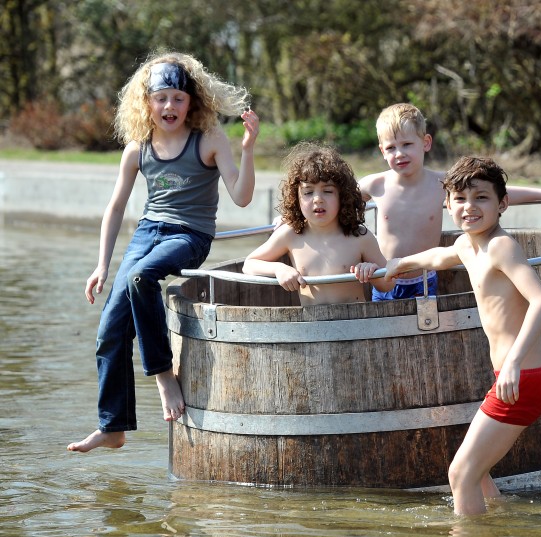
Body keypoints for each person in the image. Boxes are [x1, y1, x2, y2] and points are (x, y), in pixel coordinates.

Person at [68, 52, 260, 452]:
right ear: (147, 102)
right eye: (161, 98)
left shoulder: (208, 139)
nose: (169, 106)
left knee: (142, 278)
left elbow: (241, 198)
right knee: (108, 333)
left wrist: (248, 148)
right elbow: (116, 207)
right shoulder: (138, 148)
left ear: (192, 101)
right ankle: (113, 427)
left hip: (189, 236)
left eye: (177, 98)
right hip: (146, 234)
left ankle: (163, 375)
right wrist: (102, 264)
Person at [384, 156, 541, 516]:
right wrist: (397, 265)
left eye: (481, 198)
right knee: (476, 474)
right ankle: (497, 525)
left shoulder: (500, 246)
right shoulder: (468, 245)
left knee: (460, 474)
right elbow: (439, 256)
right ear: (447, 204)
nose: (469, 207)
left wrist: (512, 363)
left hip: (524, 375)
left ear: (502, 204)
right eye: (460, 199)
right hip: (514, 376)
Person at [361, 102, 541, 302]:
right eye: (391, 148)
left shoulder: (441, 183)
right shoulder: (375, 184)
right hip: (385, 279)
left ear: (425, 143)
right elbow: (340, 204)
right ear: (382, 150)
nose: (399, 154)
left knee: (424, 330)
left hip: (423, 280)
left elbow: (495, 193)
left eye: (407, 144)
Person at [242, 142, 393, 305]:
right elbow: (249, 264)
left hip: (355, 323)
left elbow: (388, 284)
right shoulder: (290, 234)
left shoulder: (359, 236)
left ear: (343, 196)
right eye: (308, 192)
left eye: (327, 191)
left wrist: (372, 271)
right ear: (296, 197)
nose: (318, 199)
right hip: (312, 326)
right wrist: (279, 269)